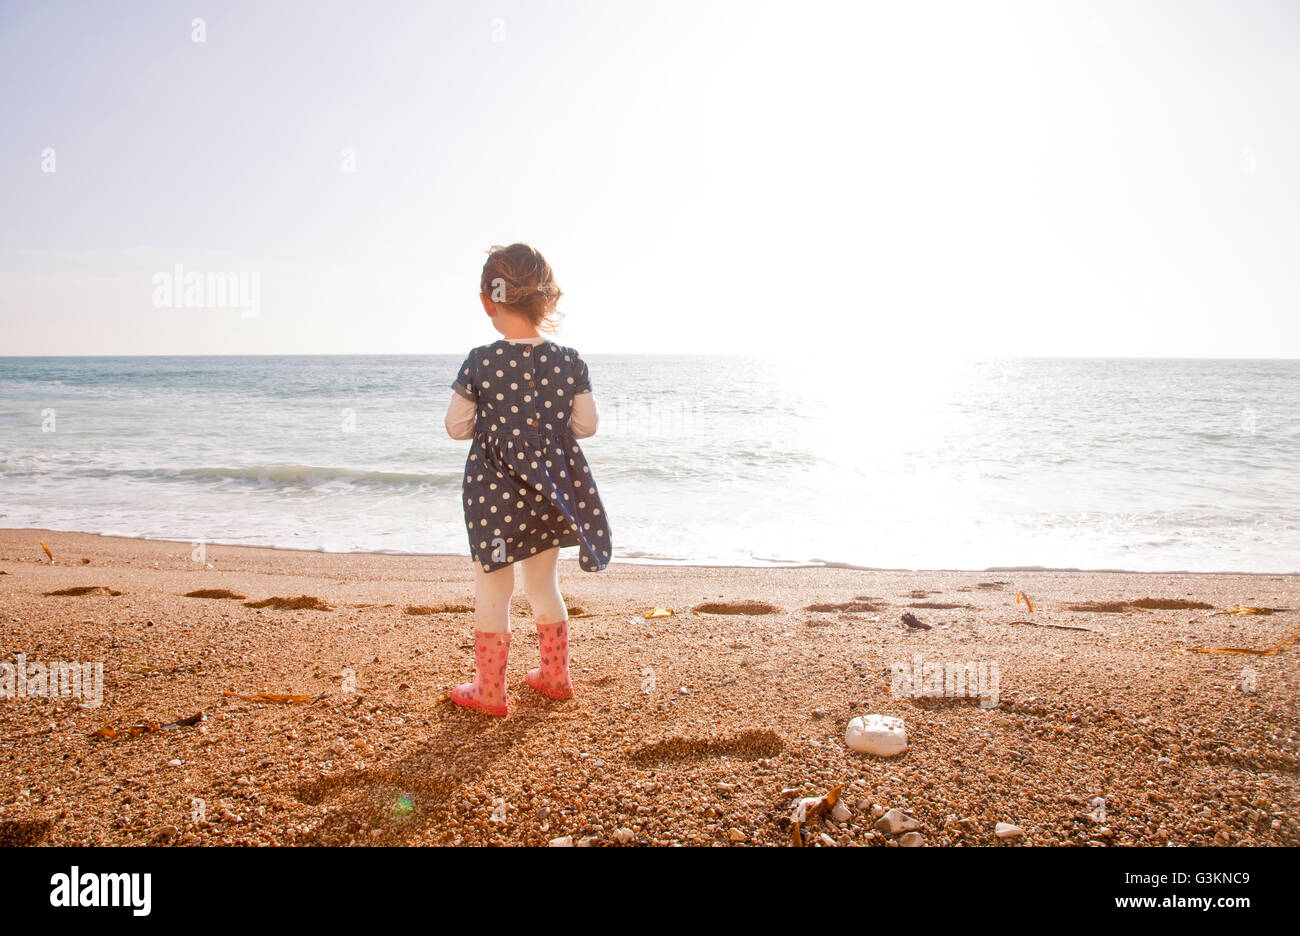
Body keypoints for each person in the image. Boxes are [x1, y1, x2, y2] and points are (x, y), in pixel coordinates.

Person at [443, 243, 612, 716]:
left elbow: (456, 428)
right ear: (546, 300)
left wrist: (498, 428)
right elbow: (587, 427)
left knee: (493, 589)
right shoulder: (570, 360)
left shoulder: (481, 361)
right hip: (550, 493)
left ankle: (489, 691)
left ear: (487, 301)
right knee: (543, 584)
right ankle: (555, 677)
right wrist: (547, 429)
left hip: (493, 497)